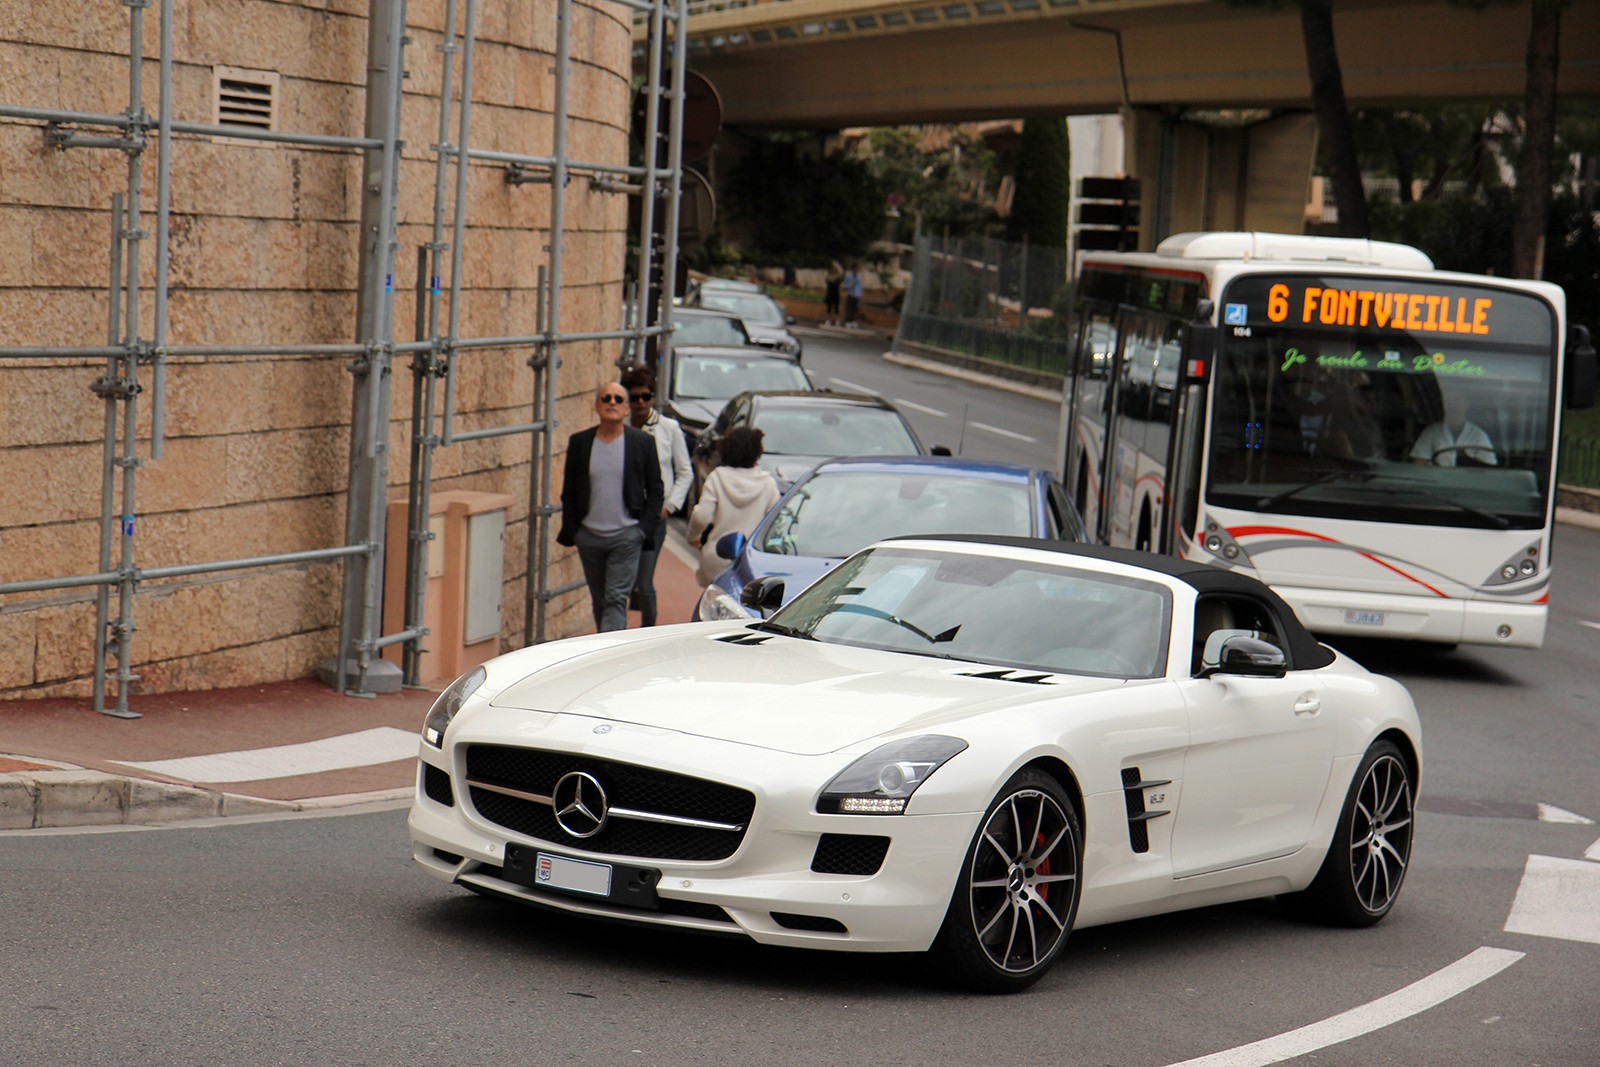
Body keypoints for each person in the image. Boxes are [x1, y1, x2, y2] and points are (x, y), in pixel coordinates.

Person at [557, 382, 664, 632]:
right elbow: (569, 490)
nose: (612, 403)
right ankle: (605, 646)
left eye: (618, 399)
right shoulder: (580, 443)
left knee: (615, 598)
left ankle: (609, 656)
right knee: (600, 599)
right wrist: (576, 531)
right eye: (606, 398)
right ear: (597, 406)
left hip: (626, 535)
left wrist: (642, 530)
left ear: (626, 409)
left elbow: (656, 489)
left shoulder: (642, 443)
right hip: (589, 536)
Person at [621, 364, 692, 626]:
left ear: (653, 397)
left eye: (646, 396)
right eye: (634, 397)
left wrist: (668, 507)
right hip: (623, 514)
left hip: (654, 517)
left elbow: (685, 472)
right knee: (622, 579)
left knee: (644, 581)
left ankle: (647, 630)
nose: (640, 403)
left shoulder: (669, 428)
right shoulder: (620, 427)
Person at [687, 426, 780, 587]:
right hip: (750, 560)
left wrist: (693, 538)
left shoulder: (717, 477)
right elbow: (776, 524)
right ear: (757, 452)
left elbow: (701, 515)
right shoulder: (768, 483)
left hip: (716, 558)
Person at [1410, 392, 1497, 467]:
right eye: (1449, 400)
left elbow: (1488, 468)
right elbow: (1419, 463)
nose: (1453, 405)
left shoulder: (1479, 436)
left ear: (1466, 404)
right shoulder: (1431, 432)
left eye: (1457, 400)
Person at [842, 263, 865, 329]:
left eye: (857, 269)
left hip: (856, 294)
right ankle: (848, 321)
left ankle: (853, 321)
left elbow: (860, 286)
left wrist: (861, 294)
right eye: (855, 269)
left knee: (855, 309)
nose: (856, 270)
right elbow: (845, 285)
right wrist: (852, 284)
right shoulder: (849, 276)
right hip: (850, 294)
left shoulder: (859, 276)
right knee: (849, 308)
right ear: (852, 269)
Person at [823, 261, 844, 326]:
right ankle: (829, 320)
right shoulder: (829, 277)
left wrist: (837, 265)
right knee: (829, 308)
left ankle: (836, 320)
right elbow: (826, 280)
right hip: (829, 294)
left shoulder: (837, 278)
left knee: (836, 308)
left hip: (836, 294)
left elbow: (841, 274)